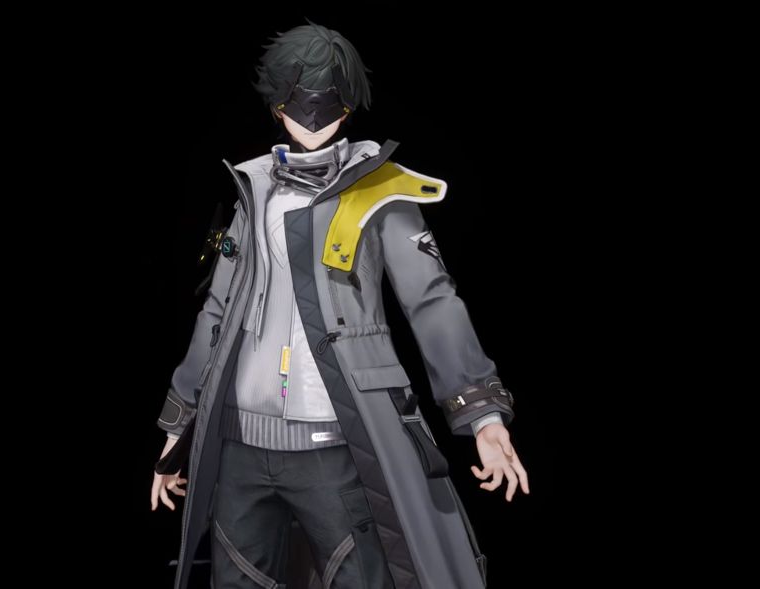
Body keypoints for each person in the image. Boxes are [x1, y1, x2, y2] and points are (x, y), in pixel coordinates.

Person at [150, 22, 529, 589]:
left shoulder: (380, 191)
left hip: (336, 442)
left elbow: (432, 302)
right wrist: (179, 424)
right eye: (296, 101)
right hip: (239, 447)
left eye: (326, 101)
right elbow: (218, 311)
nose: (311, 116)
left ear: (348, 104)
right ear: (276, 103)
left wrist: (483, 415)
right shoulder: (253, 189)